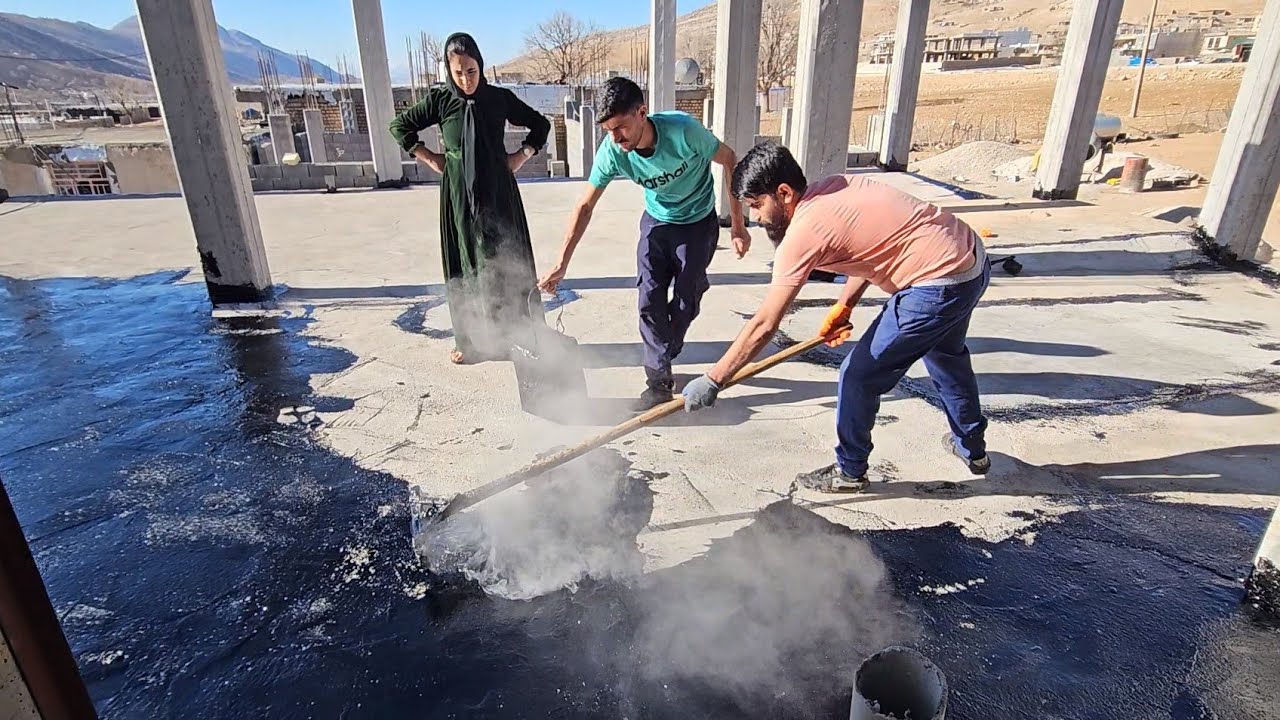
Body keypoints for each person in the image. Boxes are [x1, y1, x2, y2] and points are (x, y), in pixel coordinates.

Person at [682, 142, 992, 491]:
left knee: (859, 377)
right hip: (969, 261)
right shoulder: (837, 188)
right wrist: (844, 306)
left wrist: (714, 379)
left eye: (757, 205)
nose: (755, 217)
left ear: (783, 192)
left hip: (935, 284)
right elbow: (871, 251)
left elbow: (765, 323)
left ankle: (849, 471)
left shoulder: (803, 232)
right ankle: (973, 450)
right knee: (947, 356)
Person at [537, 77, 751, 411]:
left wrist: (738, 224)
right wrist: (562, 263)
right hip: (656, 223)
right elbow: (584, 206)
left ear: (642, 112)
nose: (615, 138)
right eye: (608, 130)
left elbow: (730, 159)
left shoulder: (684, 131)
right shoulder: (613, 151)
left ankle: (667, 343)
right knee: (649, 300)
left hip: (697, 223)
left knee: (685, 301)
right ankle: (658, 381)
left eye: (620, 127)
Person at [389, 32, 551, 365]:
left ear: (481, 65)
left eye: (471, 71)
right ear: (449, 72)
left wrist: (522, 154)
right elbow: (400, 126)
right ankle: (471, 340)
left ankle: (524, 335)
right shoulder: (440, 101)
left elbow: (540, 124)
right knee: (465, 259)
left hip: (498, 189)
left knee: (508, 256)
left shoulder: (499, 98)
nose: (466, 79)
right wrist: (431, 157)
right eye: (458, 72)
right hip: (459, 193)